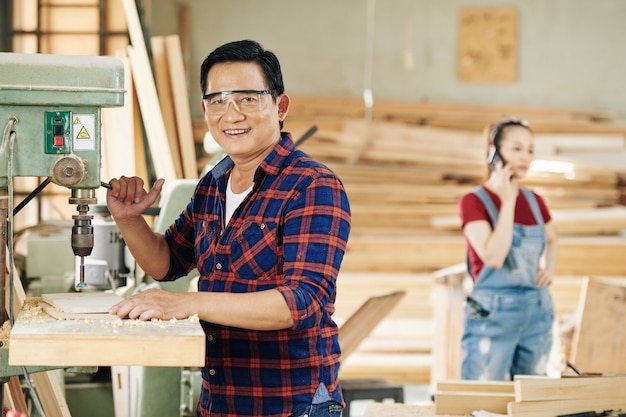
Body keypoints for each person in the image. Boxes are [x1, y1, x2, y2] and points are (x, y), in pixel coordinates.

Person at [105, 40, 351, 417]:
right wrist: (128, 218)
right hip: (221, 402)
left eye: (248, 99)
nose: (232, 114)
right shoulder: (213, 185)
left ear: (280, 106)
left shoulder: (312, 186)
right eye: (218, 101)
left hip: (291, 405)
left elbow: (299, 303)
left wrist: (187, 302)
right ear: (205, 110)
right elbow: (167, 263)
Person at [458, 118, 558, 381]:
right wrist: (508, 200)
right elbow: (493, 256)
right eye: (517, 149)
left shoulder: (535, 200)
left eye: (530, 150)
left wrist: (550, 267)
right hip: (493, 314)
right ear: (494, 152)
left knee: (532, 398)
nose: (525, 157)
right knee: (480, 398)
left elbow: (553, 239)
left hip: (537, 310)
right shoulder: (473, 201)